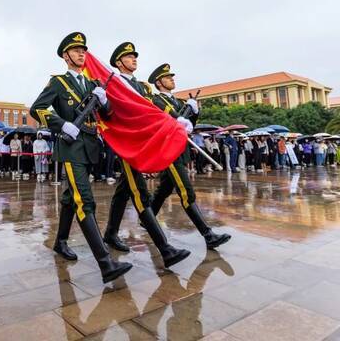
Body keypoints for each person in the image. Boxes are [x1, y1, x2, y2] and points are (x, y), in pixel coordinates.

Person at [30, 32, 132, 283]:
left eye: (83, 50)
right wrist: (62, 124)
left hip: (89, 146)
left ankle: (61, 241)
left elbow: (107, 115)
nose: (81, 54)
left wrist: (104, 100)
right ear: (66, 56)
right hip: (71, 148)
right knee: (85, 200)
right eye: (76, 51)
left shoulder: (91, 84)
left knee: (70, 198)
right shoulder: (58, 83)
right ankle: (106, 264)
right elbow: (37, 109)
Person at [103, 42, 191, 268]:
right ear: (118, 62)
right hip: (126, 143)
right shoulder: (112, 83)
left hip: (142, 142)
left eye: (135, 57)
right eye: (129, 57)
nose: (134, 60)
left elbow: (153, 111)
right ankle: (165, 249)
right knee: (139, 192)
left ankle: (111, 233)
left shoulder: (143, 87)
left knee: (124, 189)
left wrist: (177, 120)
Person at [148, 63, 231, 249]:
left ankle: (147, 218)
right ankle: (208, 235)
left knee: (165, 189)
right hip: (167, 151)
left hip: (180, 148)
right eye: (168, 77)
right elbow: (174, 118)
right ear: (159, 82)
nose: (172, 79)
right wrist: (184, 113)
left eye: (172, 77)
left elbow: (189, 125)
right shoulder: (156, 100)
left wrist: (194, 111)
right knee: (186, 192)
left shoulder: (178, 101)